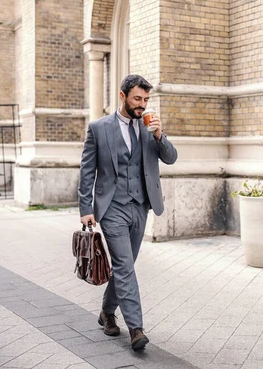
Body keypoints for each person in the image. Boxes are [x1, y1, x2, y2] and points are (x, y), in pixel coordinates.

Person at [78, 74, 177, 351]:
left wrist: (159, 135)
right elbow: (87, 171)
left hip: (141, 206)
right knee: (124, 265)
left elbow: (170, 158)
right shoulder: (98, 129)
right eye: (137, 99)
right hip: (111, 208)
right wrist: (86, 208)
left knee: (125, 266)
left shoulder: (148, 127)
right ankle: (136, 329)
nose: (142, 105)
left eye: (146, 99)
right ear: (122, 96)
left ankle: (107, 312)